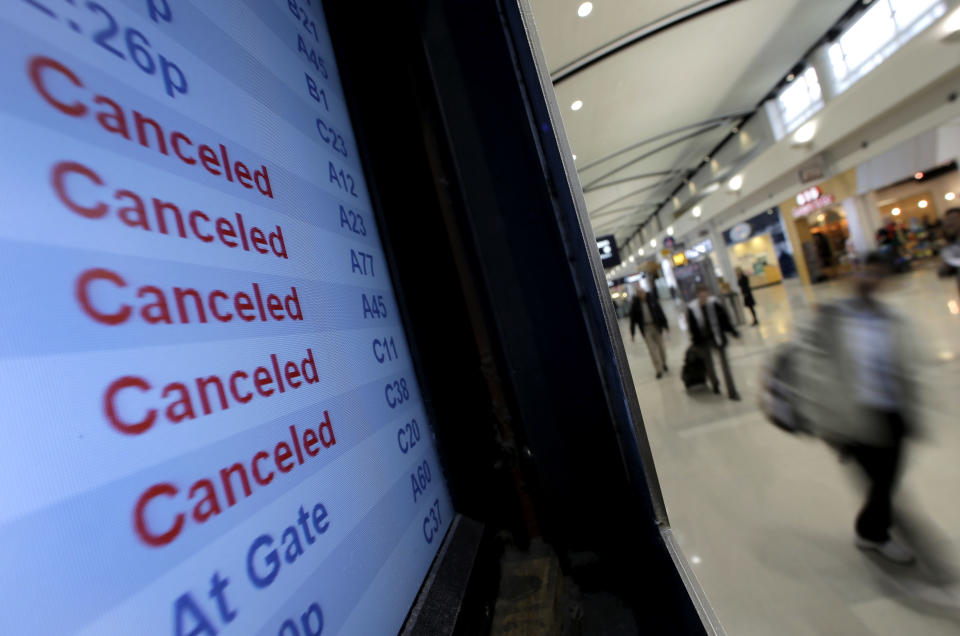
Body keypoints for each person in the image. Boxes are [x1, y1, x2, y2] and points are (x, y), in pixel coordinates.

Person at [790, 252, 919, 563]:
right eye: (862, 271)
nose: (867, 279)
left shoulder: (892, 318)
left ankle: (871, 529)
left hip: (892, 413)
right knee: (880, 481)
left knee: (886, 479)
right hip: (852, 417)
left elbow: (907, 366)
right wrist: (822, 411)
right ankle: (873, 533)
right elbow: (807, 359)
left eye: (876, 274)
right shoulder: (833, 315)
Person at [686, 285, 740, 400]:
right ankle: (715, 383)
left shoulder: (714, 304)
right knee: (709, 364)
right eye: (700, 294)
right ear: (697, 295)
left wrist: (733, 332)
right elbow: (692, 328)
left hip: (717, 337)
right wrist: (695, 342)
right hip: (703, 340)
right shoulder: (693, 308)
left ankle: (732, 391)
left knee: (725, 366)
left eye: (705, 293)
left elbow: (724, 320)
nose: (703, 296)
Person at [630, 286, 669, 378]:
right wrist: (633, 334)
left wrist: (665, 325)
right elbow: (633, 320)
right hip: (646, 329)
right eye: (639, 293)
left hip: (656, 326)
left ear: (644, 292)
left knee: (661, 348)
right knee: (652, 350)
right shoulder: (635, 305)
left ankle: (664, 363)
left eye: (642, 292)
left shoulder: (652, 300)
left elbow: (660, 312)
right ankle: (658, 369)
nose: (641, 294)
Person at [939, 207, 960, 295]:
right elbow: (943, 272)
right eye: (947, 220)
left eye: (953, 219)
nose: (949, 223)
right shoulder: (952, 243)